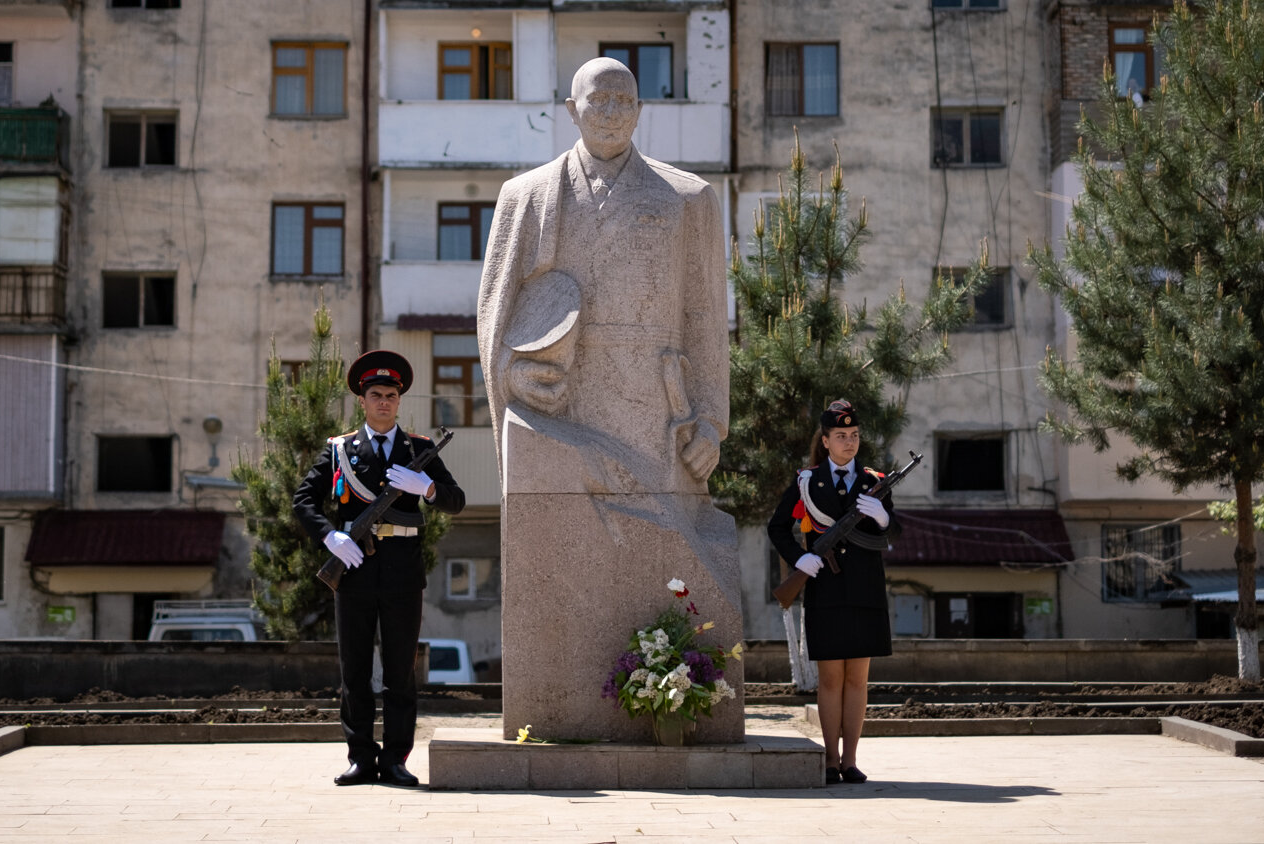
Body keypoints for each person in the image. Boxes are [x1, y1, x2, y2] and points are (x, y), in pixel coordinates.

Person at [476, 57, 743, 742]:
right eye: (600, 100)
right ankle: (558, 704)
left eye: (626, 99)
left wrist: (712, 418)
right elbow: (494, 312)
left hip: (657, 415)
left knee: (663, 550)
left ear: (640, 109)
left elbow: (707, 324)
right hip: (563, 410)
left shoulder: (687, 198)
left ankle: (670, 694)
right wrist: (511, 373)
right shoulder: (528, 196)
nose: (614, 111)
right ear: (572, 108)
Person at [293, 349, 465, 787]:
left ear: (399, 400)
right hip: (352, 571)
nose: (384, 401)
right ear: (363, 401)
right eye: (376, 395)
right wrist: (330, 536)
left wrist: (427, 487)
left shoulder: (420, 449)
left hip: (404, 573)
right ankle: (360, 758)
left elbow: (456, 500)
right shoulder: (340, 451)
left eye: (391, 394)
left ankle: (395, 760)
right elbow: (304, 501)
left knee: (399, 673)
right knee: (354, 669)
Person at [766, 400, 900, 785]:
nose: (849, 442)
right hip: (825, 589)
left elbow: (895, 532)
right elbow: (777, 527)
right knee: (830, 679)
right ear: (825, 441)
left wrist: (883, 516)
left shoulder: (873, 480)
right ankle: (829, 758)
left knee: (858, 679)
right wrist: (800, 560)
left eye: (854, 435)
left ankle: (851, 760)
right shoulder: (807, 481)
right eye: (840, 436)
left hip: (864, 591)